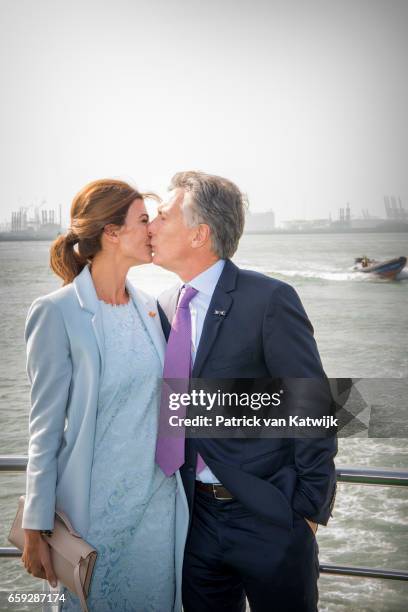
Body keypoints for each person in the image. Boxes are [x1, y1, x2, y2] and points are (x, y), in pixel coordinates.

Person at [149, 171, 337, 612]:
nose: (150, 226)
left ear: (200, 234)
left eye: (162, 216)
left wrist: (307, 511)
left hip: (268, 519)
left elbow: (313, 403)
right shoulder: (162, 304)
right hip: (195, 523)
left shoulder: (269, 299)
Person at [21, 179, 188, 611]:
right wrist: (36, 526)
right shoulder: (56, 312)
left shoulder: (154, 309)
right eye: (143, 221)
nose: (151, 231)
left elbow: (175, 402)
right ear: (111, 233)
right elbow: (44, 430)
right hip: (92, 517)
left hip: (157, 512)